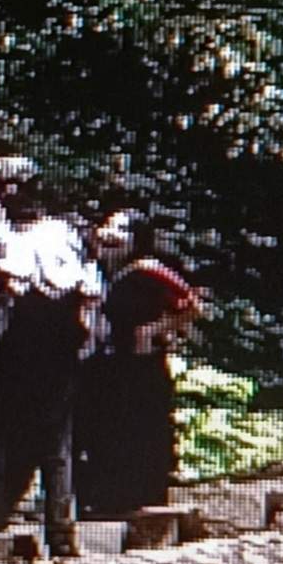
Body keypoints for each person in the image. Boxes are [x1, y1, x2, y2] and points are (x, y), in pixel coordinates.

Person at [0, 159, 102, 559]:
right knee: (43, 442)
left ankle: (9, 517)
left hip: (21, 349)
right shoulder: (62, 235)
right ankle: (45, 525)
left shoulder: (5, 237)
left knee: (16, 437)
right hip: (45, 350)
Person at [77, 210, 199, 520]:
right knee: (113, 428)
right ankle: (111, 498)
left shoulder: (148, 269)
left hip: (143, 363)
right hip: (112, 361)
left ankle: (144, 497)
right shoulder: (101, 269)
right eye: (109, 226)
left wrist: (154, 329)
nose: (112, 234)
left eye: (121, 229)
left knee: (142, 428)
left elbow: (193, 304)